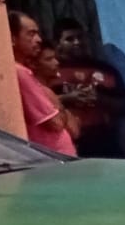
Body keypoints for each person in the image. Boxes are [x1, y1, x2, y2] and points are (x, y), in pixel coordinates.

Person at [53, 17, 125, 159]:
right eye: (70, 39)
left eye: (80, 37)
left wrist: (100, 99)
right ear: (58, 44)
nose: (77, 42)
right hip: (68, 144)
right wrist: (68, 99)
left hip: (104, 141)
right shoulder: (50, 73)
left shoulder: (105, 70)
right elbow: (40, 107)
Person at [10, 11, 77, 156]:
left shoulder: (21, 72)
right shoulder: (21, 73)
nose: (38, 39)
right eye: (31, 34)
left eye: (37, 33)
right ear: (12, 39)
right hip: (54, 157)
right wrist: (55, 101)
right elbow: (55, 123)